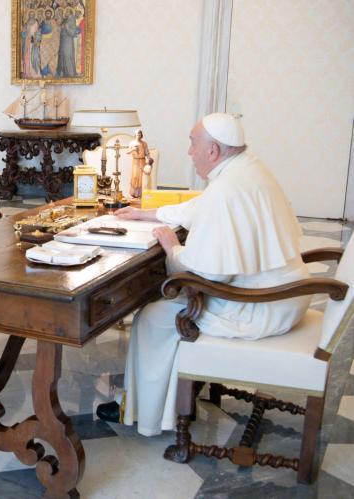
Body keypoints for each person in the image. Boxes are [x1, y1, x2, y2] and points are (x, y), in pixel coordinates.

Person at [96, 113, 311, 437]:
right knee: (162, 310)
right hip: (286, 296)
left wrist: (172, 248)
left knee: (153, 316)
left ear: (213, 151)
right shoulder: (245, 169)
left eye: (192, 143)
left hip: (261, 307)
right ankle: (164, 393)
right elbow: (200, 208)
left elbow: (204, 274)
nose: (189, 151)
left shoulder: (229, 188)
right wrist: (146, 212)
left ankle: (145, 411)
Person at [126, 129, 153, 198]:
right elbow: (127, 152)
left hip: (142, 161)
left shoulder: (144, 143)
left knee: (142, 177)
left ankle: (141, 193)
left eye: (140, 134)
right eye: (138, 134)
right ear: (135, 135)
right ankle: (134, 193)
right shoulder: (132, 143)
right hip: (135, 161)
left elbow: (147, 152)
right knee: (135, 176)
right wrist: (133, 149)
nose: (139, 135)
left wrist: (149, 158)